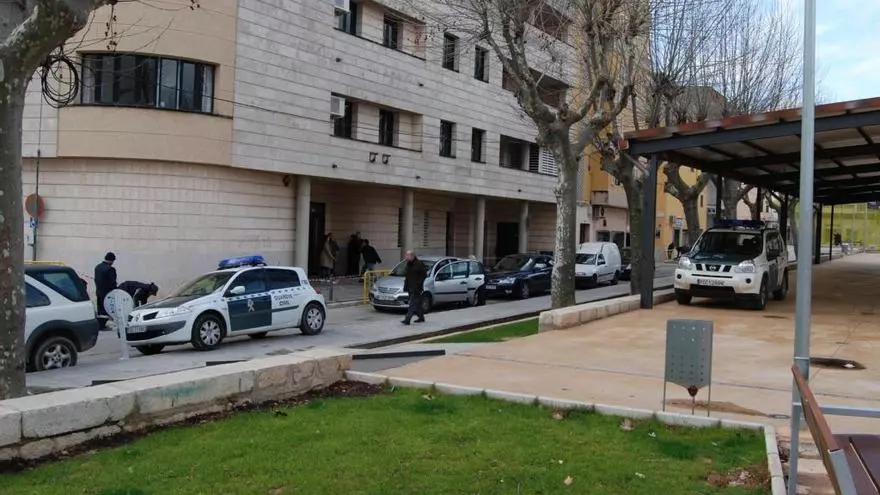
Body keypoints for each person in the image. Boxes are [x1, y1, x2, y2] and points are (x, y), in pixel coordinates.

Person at [402, 250, 427, 325]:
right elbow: (407, 275)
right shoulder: (409, 264)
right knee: (417, 304)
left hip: (417, 288)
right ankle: (421, 317)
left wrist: (418, 283)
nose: (406, 257)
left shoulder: (419, 264)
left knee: (412, 303)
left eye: (407, 255)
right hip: (410, 286)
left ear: (412, 256)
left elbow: (424, 275)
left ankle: (407, 319)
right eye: (406, 255)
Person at [94, 252, 118, 330]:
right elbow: (112, 283)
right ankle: (104, 325)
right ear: (111, 260)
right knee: (107, 310)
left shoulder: (97, 267)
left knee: (100, 310)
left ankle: (101, 325)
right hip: (108, 294)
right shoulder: (110, 269)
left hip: (99, 292)